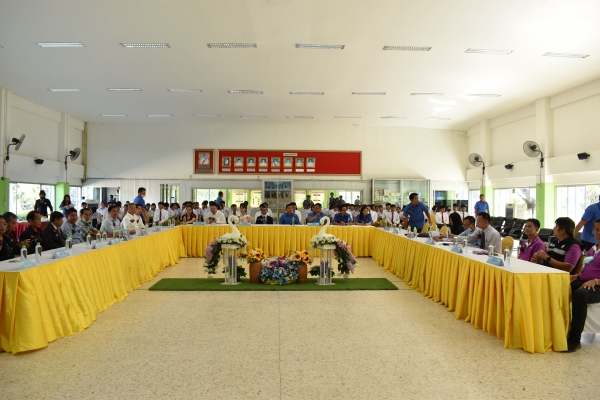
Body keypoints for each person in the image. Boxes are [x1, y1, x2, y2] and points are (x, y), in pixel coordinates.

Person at [565, 219, 600, 352]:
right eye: (596, 229)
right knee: (563, 286)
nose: (598, 233)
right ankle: (560, 330)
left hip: (597, 285)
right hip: (586, 281)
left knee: (580, 294)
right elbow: (588, 266)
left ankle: (575, 340)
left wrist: (596, 281)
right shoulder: (594, 248)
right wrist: (578, 275)